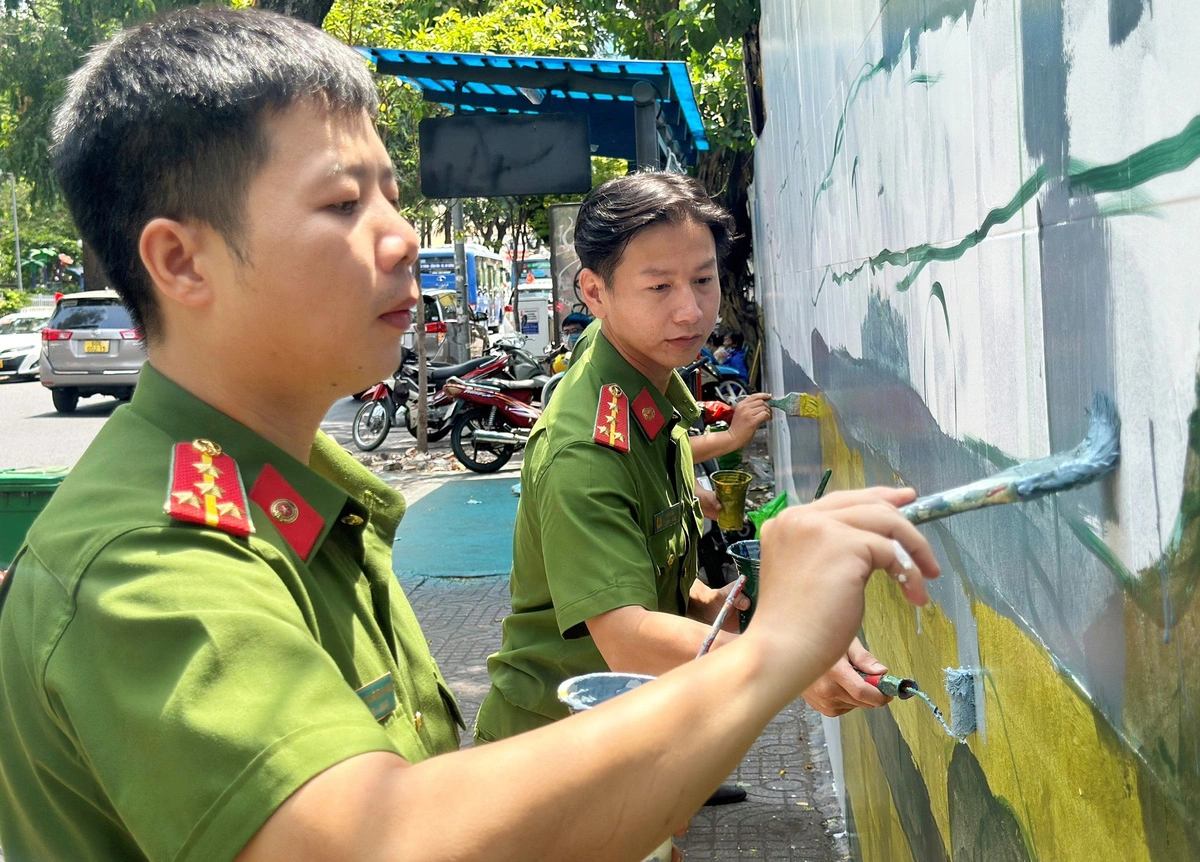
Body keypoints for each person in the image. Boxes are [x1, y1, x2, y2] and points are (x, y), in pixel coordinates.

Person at [0, 10, 939, 860]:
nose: (402, 236)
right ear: (181, 260)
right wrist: (776, 652)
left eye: (390, 195)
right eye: (341, 204)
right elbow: (375, 841)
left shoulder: (302, 505)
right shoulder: (149, 561)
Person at [476, 173, 908, 768]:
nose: (691, 309)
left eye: (704, 280)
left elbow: (676, 596)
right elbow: (627, 635)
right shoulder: (588, 447)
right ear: (595, 293)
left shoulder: (649, 396)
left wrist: (769, 608)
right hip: (555, 754)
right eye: (659, 287)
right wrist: (790, 663)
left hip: (635, 735)